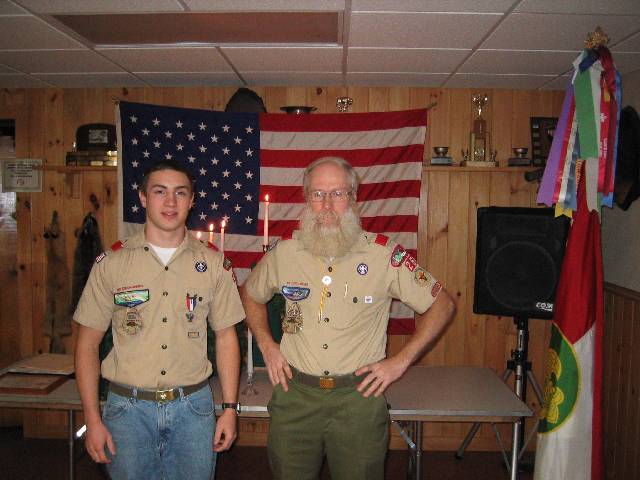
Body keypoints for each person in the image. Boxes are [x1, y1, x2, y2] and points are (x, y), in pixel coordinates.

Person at [240, 156, 456, 480]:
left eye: (338, 194)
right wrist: (267, 345)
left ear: (353, 199)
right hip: (296, 396)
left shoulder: (383, 255)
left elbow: (442, 305)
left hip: (358, 400)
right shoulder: (285, 254)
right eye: (318, 194)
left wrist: (401, 362)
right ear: (307, 198)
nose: (327, 205)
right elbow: (249, 294)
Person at [74, 159, 244, 480]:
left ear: (192, 201)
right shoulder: (112, 264)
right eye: (159, 191)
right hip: (127, 412)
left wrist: (230, 409)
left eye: (180, 193)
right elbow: (87, 345)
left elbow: (226, 338)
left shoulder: (212, 263)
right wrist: (92, 419)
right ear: (142, 197)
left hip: (193, 409)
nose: (170, 202)